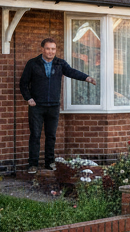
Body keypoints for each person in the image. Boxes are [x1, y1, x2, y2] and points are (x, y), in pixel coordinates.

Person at [19, 37, 96, 174]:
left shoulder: (60, 63)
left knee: (51, 135)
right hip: (37, 106)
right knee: (35, 135)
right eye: (48, 49)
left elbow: (72, 72)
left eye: (53, 49)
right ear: (42, 49)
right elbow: (23, 83)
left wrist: (86, 78)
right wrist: (28, 98)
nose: (50, 51)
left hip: (53, 106)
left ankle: (49, 163)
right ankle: (33, 164)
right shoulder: (33, 64)